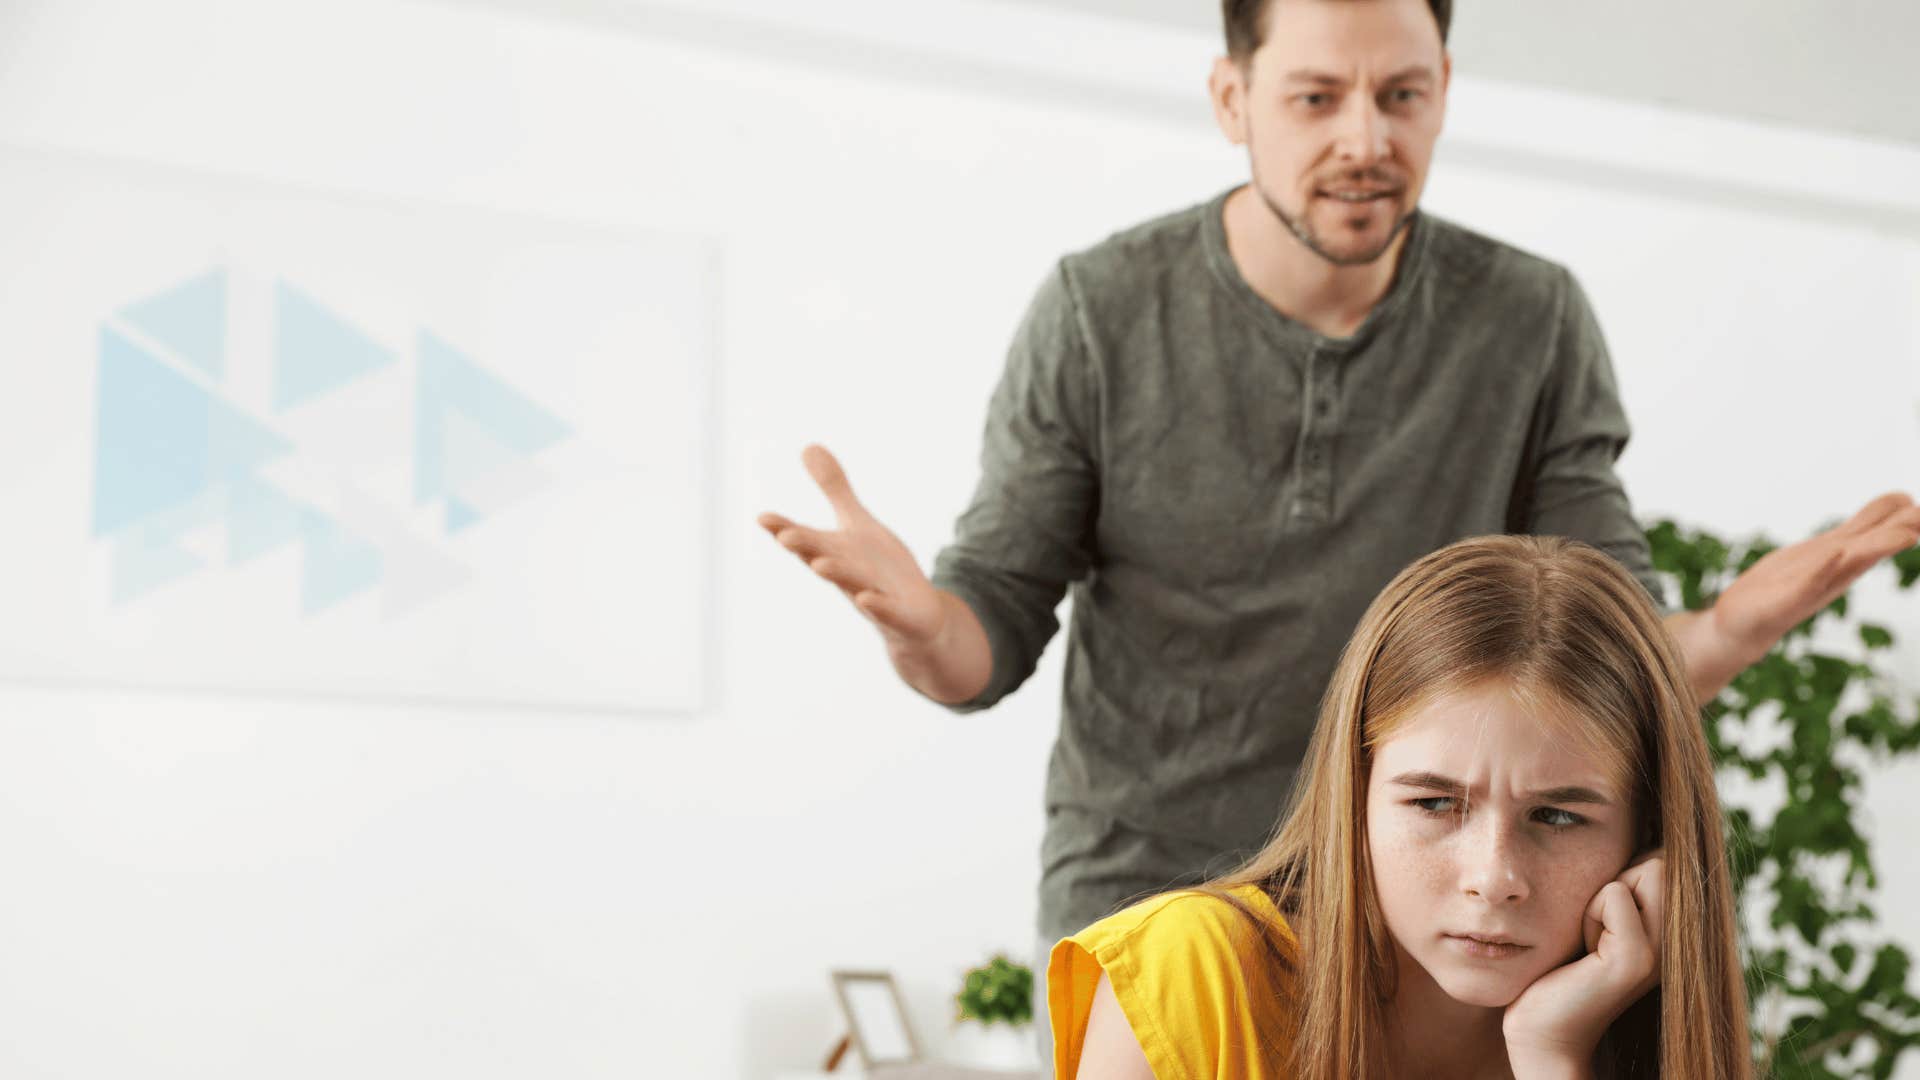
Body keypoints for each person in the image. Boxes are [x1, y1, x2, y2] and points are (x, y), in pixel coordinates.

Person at [757, 0, 1920, 1052]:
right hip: (1160, 900)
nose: (1366, 138)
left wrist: (1735, 625)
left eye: (1402, 95)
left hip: (1428, 916)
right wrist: (920, 624)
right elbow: (982, 643)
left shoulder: (1531, 319)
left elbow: (1597, 658)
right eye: (1316, 97)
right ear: (1234, 99)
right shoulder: (1098, 311)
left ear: (1445, 92)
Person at [1052, 535, 1750, 1079]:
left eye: (1558, 816)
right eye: (1437, 803)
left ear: (1647, 835)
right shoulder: (1192, 977)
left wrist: (1550, 1058)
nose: (1494, 876)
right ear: (1353, 796)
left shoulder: (1627, 1040)